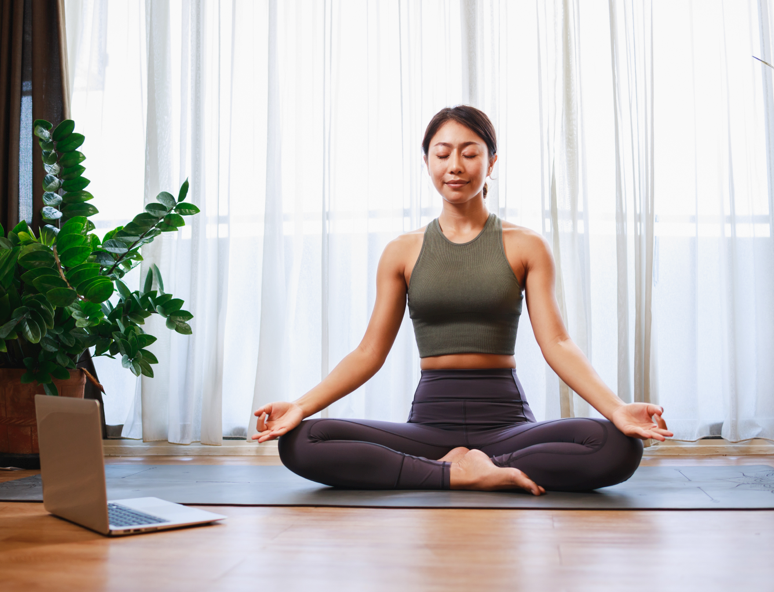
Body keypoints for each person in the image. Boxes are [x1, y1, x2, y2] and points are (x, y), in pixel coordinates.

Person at [252, 105, 673, 495]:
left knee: (617, 446)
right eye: (442, 154)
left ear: (491, 162)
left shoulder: (526, 246)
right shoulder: (403, 250)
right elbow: (368, 352)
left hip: (506, 422)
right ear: (427, 162)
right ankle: (463, 471)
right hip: (430, 423)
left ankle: (468, 467)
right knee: (302, 441)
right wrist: (300, 406)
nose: (455, 166)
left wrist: (617, 409)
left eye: (470, 153)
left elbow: (557, 344)